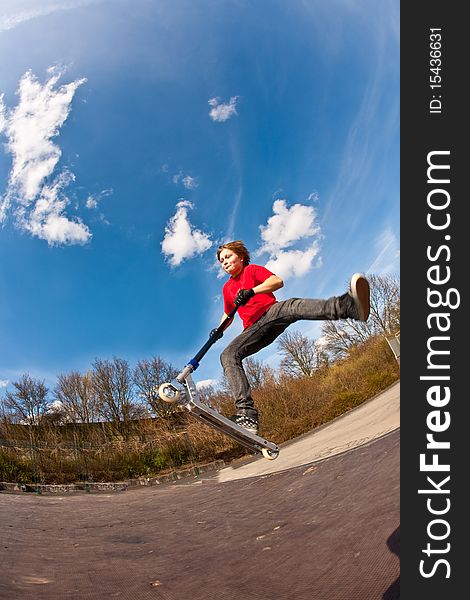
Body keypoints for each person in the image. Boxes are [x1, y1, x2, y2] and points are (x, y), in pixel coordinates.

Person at [212, 240, 370, 435]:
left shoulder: (252, 270)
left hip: (271, 314)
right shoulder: (227, 288)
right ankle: (247, 415)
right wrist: (218, 329)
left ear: (241, 256)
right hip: (253, 330)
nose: (224, 262)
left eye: (228, 257)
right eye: (221, 261)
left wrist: (252, 291)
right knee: (228, 355)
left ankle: (347, 307)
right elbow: (228, 314)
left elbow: (276, 281)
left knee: (291, 306)